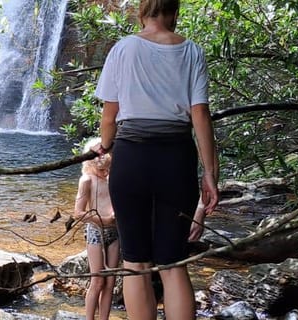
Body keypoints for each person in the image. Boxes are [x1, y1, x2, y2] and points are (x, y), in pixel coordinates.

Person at [91, 1, 220, 319]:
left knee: (135, 263)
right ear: (174, 12)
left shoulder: (122, 49)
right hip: (176, 158)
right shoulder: (192, 51)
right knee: (173, 263)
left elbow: (110, 115)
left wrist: (105, 145)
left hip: (132, 158)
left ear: (142, 11)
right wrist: (210, 174)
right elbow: (200, 115)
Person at [74, 138, 119, 320]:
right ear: (90, 163)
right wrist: (103, 219)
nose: (105, 172)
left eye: (108, 168)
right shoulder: (87, 180)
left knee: (110, 281)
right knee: (97, 280)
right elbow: (78, 213)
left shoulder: (112, 178)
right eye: (102, 169)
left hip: (114, 233)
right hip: (95, 232)